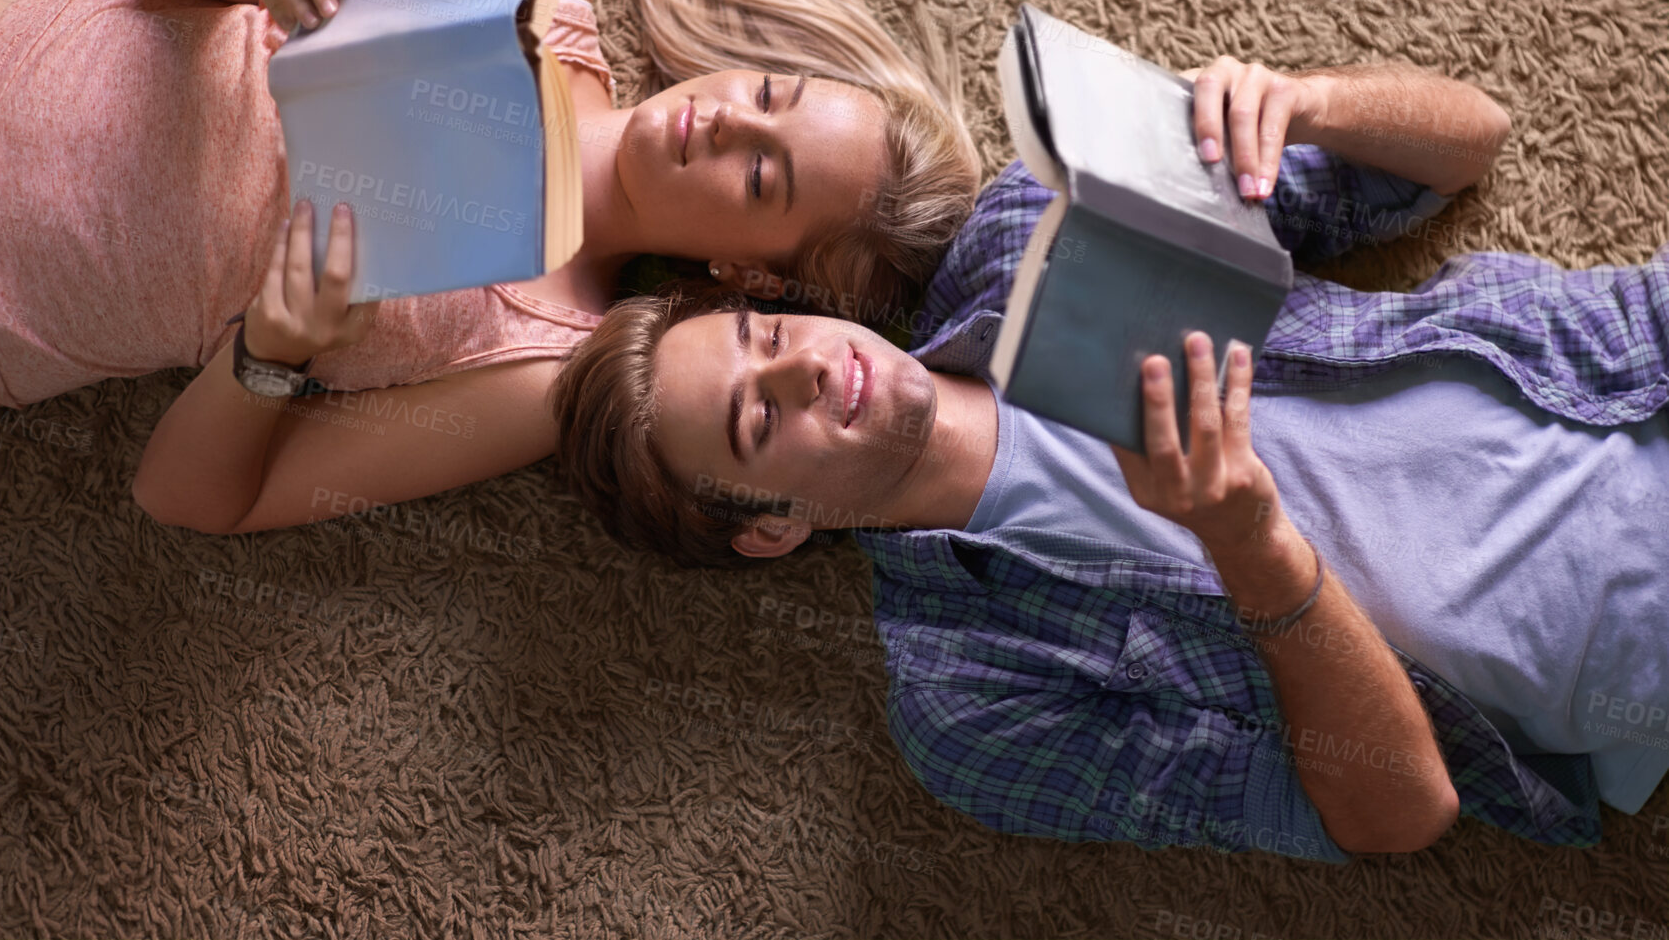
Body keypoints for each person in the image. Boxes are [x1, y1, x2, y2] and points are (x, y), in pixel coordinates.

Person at [547, 54, 1669, 861]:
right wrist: (1253, 543)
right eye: (757, 420)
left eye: (769, 336)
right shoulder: (972, 707)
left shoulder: (1032, 219)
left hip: (1626, 352)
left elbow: (1466, 137)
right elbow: (1397, 815)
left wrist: (1308, 101)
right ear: (774, 524)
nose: (805, 372)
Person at [0, 0, 979, 533]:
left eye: (764, 178)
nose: (725, 122)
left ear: (749, 277)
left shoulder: (539, 367)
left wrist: (274, 348)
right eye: (767, 95)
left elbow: (195, 497)